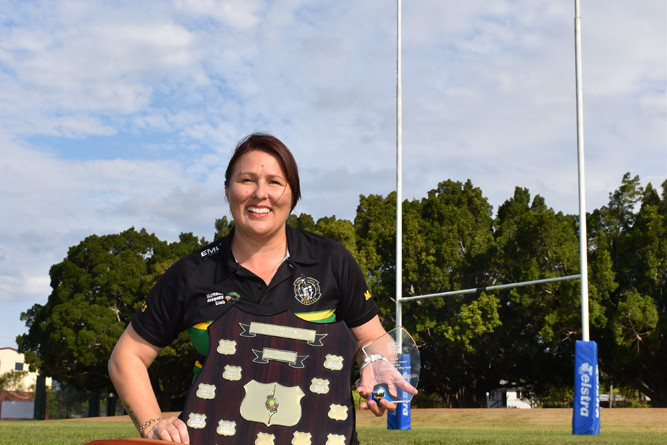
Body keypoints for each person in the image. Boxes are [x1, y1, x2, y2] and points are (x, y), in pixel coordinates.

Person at [108, 133, 415, 443]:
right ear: (227, 190)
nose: (259, 194)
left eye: (274, 182)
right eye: (246, 180)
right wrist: (151, 421)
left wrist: (377, 362)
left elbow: (374, 339)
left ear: (292, 195)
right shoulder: (192, 273)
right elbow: (127, 356)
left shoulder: (332, 261)